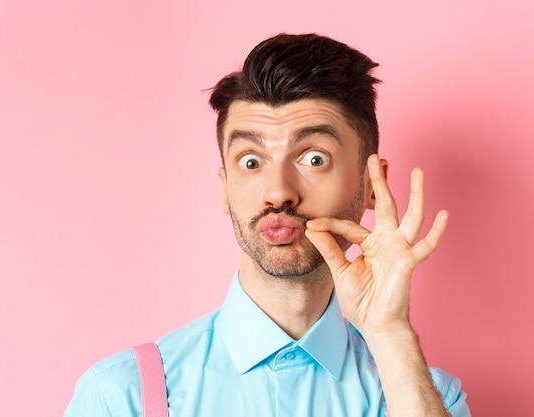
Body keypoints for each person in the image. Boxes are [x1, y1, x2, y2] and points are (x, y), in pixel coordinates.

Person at [64, 33, 471, 417]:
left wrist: (389, 331)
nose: (277, 192)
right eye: (251, 162)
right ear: (226, 189)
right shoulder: (122, 396)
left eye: (314, 158)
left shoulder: (425, 395)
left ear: (370, 186)